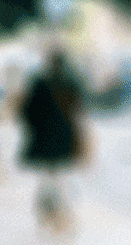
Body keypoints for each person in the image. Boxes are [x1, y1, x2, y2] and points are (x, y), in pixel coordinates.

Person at [19, 48, 87, 233]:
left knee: (45, 177)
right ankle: (60, 211)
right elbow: (78, 109)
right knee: (60, 176)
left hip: (43, 136)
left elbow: (27, 110)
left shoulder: (40, 83)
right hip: (65, 135)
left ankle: (46, 211)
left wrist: (34, 127)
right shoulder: (72, 84)